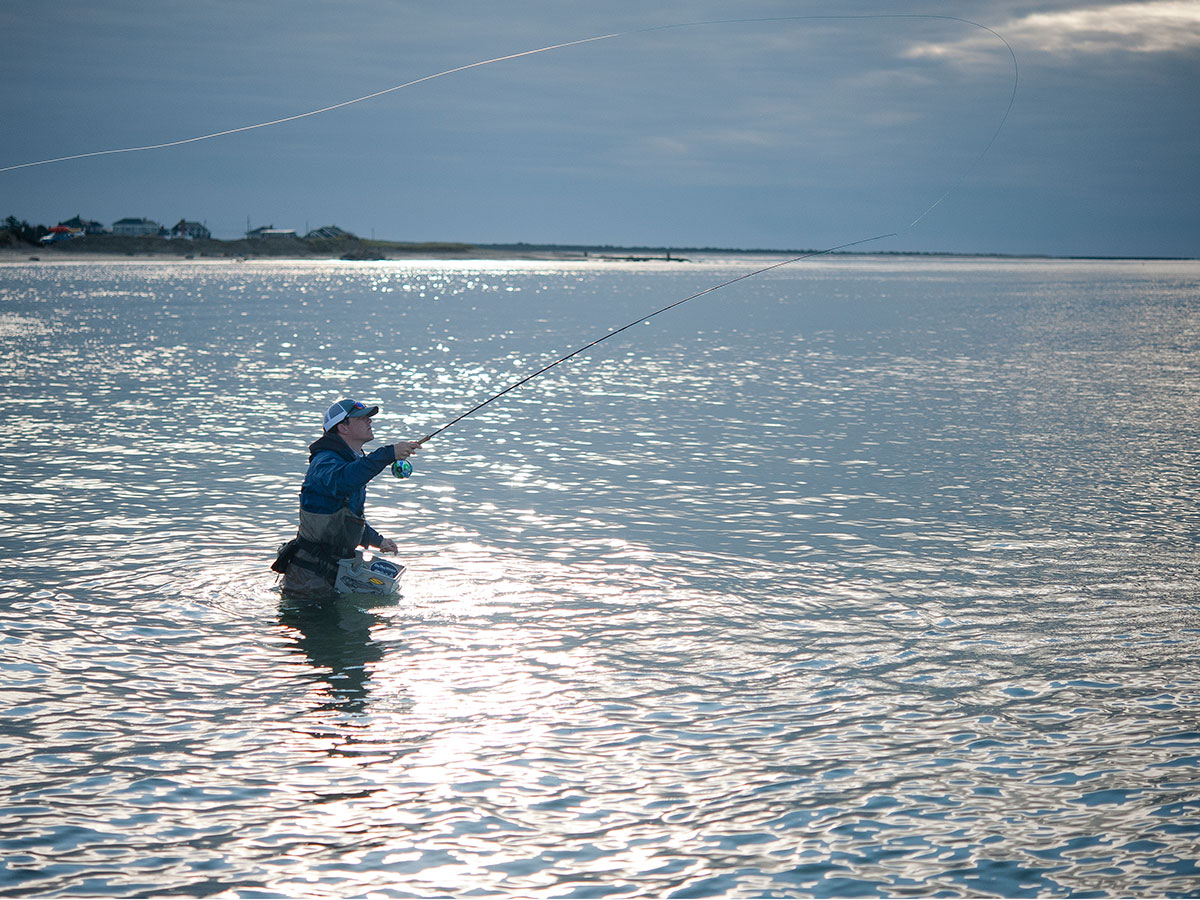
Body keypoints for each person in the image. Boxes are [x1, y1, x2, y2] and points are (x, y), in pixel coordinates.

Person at [274, 399, 420, 597]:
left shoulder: (350, 460)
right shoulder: (324, 461)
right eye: (362, 418)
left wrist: (377, 540)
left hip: (332, 577)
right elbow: (343, 480)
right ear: (343, 427)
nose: (369, 421)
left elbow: (343, 517)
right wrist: (388, 454)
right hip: (307, 582)